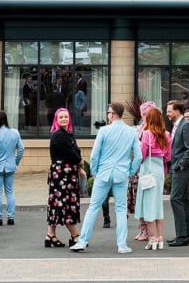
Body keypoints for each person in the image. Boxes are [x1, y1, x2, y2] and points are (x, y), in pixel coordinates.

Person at [70, 102, 142, 253]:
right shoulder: (131, 131)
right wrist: (130, 171)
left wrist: (95, 171)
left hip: (104, 173)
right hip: (122, 174)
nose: (108, 115)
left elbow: (95, 154)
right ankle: (121, 245)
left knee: (93, 208)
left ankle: (82, 241)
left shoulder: (104, 131)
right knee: (121, 209)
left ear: (113, 114)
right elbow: (138, 156)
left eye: (108, 112)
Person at [45, 107, 82, 248]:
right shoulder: (57, 135)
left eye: (66, 117)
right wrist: (79, 163)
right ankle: (75, 235)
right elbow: (71, 154)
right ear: (56, 119)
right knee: (63, 205)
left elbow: (75, 152)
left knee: (58, 204)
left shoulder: (69, 134)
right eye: (60, 117)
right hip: (61, 175)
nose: (64, 119)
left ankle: (50, 235)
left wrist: (78, 165)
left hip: (68, 175)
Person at [136, 108, 170, 250]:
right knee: (158, 204)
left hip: (148, 170)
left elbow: (142, 154)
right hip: (159, 170)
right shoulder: (166, 134)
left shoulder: (147, 134)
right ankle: (160, 236)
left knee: (148, 205)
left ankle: (153, 238)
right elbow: (168, 156)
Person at [166, 99, 189, 247]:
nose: (167, 114)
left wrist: (181, 165)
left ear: (177, 111)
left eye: (169, 111)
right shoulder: (176, 126)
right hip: (177, 167)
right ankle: (185, 235)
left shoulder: (186, 126)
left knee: (175, 199)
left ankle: (181, 235)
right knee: (184, 200)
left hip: (182, 168)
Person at [0, 110, 24, 226]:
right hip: (10, 165)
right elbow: (21, 149)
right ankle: (11, 217)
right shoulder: (15, 132)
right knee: (10, 191)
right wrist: (16, 162)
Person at [132, 101, 157, 242]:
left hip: (146, 168)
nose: (144, 116)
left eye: (147, 113)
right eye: (143, 113)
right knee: (138, 201)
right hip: (139, 168)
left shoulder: (153, 130)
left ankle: (148, 230)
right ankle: (142, 228)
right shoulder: (141, 128)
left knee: (147, 201)